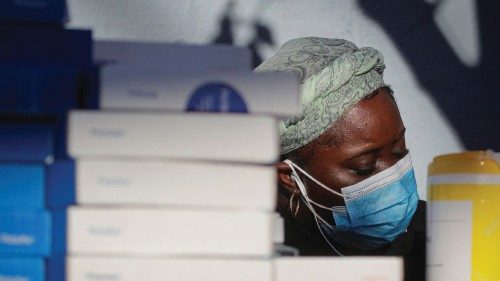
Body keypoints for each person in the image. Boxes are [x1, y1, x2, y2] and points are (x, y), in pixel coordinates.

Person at [255, 37, 426, 281]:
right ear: (289, 177)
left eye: (399, 150)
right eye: (364, 168)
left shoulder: (444, 239)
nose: (394, 175)